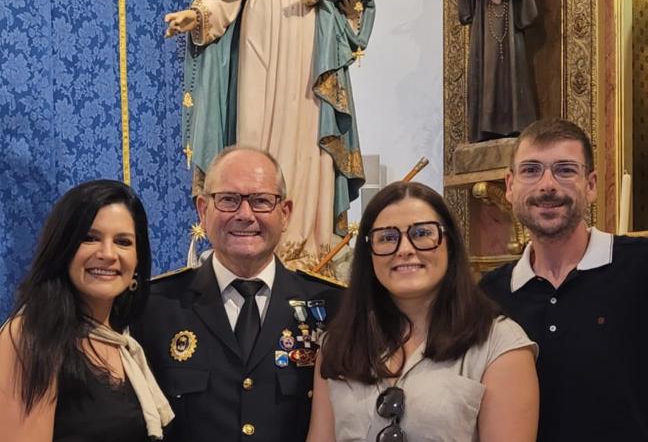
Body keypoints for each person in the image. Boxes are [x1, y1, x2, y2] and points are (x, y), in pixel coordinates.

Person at [133, 147, 340, 442]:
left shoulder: (332, 307)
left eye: (261, 201)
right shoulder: (155, 307)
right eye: (228, 200)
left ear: (285, 214)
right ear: (203, 210)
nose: (245, 215)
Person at [307, 181, 539, 441]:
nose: (405, 250)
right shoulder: (337, 344)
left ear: (449, 243)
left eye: (421, 234)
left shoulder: (499, 344)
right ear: (368, 252)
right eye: (387, 237)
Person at [163, 0, 375, 270]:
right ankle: (255, 241)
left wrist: (344, 0)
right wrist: (198, 15)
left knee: (308, 140)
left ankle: (308, 245)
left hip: (310, 29)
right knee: (253, 137)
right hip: (258, 26)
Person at [480, 118, 648, 441]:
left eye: (565, 170)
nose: (547, 185)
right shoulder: (487, 297)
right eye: (531, 170)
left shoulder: (640, 267)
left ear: (591, 185)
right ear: (510, 186)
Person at [0, 180, 173, 441]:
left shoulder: (124, 342)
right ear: (63, 249)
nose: (108, 253)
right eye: (90, 238)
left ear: (137, 260)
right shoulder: (32, 336)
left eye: (123, 242)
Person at [459, 0, 538, 142]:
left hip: (509, 12)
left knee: (513, 67)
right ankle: (485, 126)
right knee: (487, 67)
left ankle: (516, 123)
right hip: (483, 13)